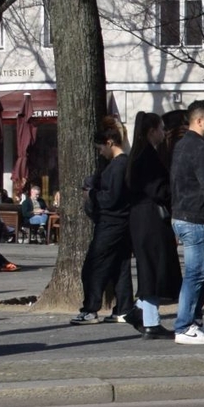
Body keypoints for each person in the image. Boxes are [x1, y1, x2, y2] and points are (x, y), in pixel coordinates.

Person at [168, 99, 204, 343]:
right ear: (199, 121)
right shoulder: (201, 149)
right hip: (195, 217)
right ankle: (184, 326)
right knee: (196, 273)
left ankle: (194, 319)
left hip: (183, 214)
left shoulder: (181, 146)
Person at [126, 110, 179, 337]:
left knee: (151, 267)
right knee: (153, 268)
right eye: (161, 129)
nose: (164, 133)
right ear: (152, 131)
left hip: (142, 217)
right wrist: (173, 192)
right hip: (150, 218)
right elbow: (157, 189)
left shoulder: (139, 156)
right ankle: (150, 320)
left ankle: (142, 312)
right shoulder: (148, 157)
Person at [75, 122, 134, 323]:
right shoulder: (122, 164)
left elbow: (111, 198)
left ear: (109, 143)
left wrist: (92, 194)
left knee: (93, 265)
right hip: (122, 222)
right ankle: (124, 308)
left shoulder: (118, 166)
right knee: (119, 265)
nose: (100, 153)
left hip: (111, 222)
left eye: (100, 148)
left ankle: (90, 309)